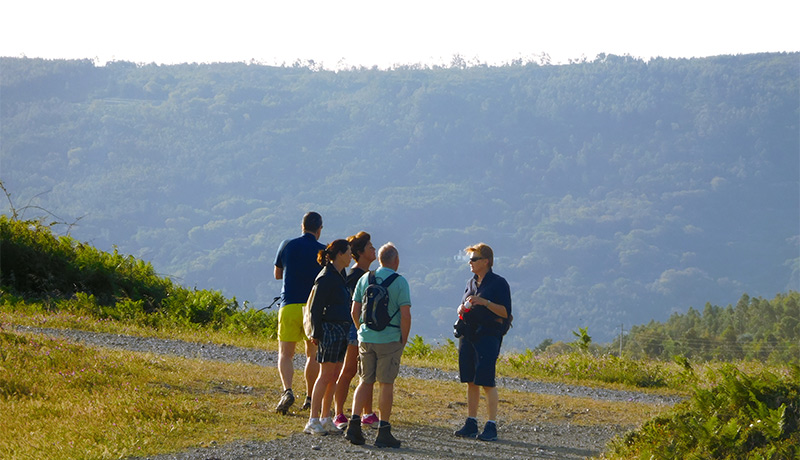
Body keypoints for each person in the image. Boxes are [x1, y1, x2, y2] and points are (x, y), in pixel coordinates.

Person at [345, 242, 411, 448]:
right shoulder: (400, 282)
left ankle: (354, 425)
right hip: (390, 338)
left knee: (365, 381)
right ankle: (384, 431)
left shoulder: (366, 278)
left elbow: (354, 312)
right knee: (386, 384)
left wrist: (360, 330)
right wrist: (403, 339)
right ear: (396, 260)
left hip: (366, 337)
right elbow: (405, 315)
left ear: (380, 259)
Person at [453, 243, 512, 442]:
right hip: (469, 334)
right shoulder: (471, 283)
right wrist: (462, 309)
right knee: (470, 379)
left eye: (474, 259)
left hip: (488, 334)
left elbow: (505, 312)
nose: (470, 262)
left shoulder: (498, 283)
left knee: (486, 380)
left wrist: (484, 302)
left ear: (486, 261)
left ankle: (492, 424)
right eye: (470, 259)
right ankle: (471, 421)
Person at [273, 212, 325, 414]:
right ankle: (310, 397)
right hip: (312, 307)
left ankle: (287, 390)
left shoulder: (286, 245)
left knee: (286, 353)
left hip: (289, 304)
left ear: (302, 226)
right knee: (312, 355)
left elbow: (278, 274)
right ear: (319, 229)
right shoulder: (323, 251)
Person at [303, 239, 353, 435]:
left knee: (334, 375)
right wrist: (316, 332)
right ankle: (312, 419)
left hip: (341, 328)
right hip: (330, 329)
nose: (351, 256)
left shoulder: (340, 275)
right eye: (348, 252)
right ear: (339, 254)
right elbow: (315, 307)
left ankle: (325, 417)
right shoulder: (325, 277)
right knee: (325, 375)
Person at [332, 231, 379, 430]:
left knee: (366, 372)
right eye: (370, 247)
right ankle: (338, 413)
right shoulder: (355, 275)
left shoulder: (368, 275)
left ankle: (367, 412)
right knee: (349, 370)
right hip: (354, 327)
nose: (373, 249)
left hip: (363, 327)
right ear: (359, 252)